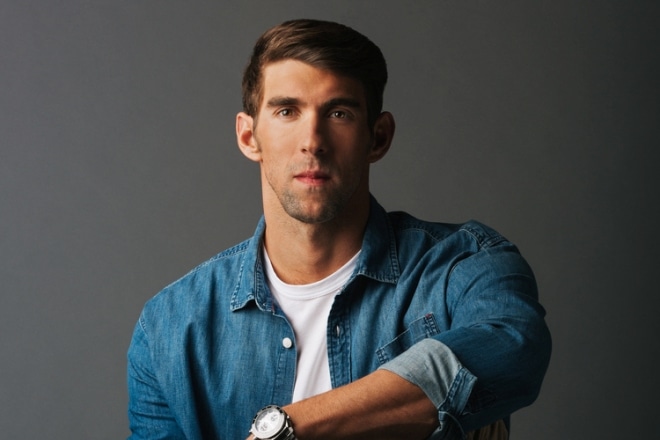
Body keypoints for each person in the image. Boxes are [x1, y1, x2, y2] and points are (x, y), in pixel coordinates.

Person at [127, 19, 551, 440]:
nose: (313, 141)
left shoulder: (462, 267)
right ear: (249, 136)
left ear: (378, 137)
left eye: (338, 113)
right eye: (287, 111)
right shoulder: (170, 328)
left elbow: (513, 348)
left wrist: (288, 428)